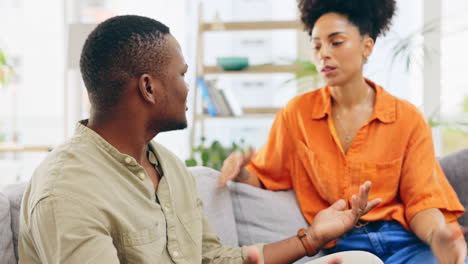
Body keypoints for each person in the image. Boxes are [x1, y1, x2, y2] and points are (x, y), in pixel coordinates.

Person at [18, 15, 383, 264]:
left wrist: (312, 239)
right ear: (148, 87)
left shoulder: (170, 168)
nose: (188, 86)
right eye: (181, 74)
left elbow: (215, 259)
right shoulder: (66, 190)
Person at [219, 0, 468, 263]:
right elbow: (265, 176)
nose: (323, 53)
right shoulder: (296, 115)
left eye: (336, 42)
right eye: (316, 45)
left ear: (367, 46)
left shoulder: (407, 119)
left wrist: (436, 235)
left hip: (404, 241)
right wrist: (240, 170)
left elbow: (423, 202)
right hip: (344, 245)